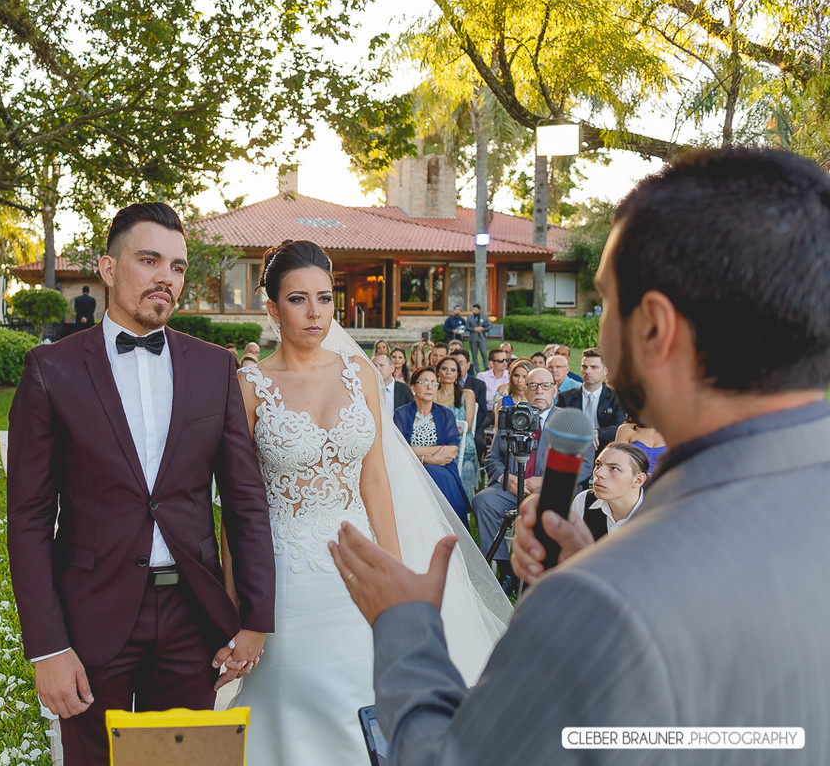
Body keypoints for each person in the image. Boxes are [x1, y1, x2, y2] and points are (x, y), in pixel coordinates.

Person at [333, 146, 830, 765]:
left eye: (602, 304)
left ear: (653, 327)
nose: (596, 331)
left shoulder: (610, 601)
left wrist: (404, 625)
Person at [5, 202, 277, 766]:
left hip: (192, 613)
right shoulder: (50, 369)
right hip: (90, 611)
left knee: (186, 762)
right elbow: (29, 518)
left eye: (177, 267)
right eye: (149, 260)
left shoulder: (214, 367)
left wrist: (254, 618)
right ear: (107, 269)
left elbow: (245, 501)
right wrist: (48, 648)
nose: (166, 279)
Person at [231, 240, 509, 766]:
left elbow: (376, 480)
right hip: (287, 574)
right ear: (271, 307)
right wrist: (237, 598)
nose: (315, 313)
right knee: (294, 707)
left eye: (324, 298)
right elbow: (237, 505)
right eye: (297, 300)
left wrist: (396, 573)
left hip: (360, 568)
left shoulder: (358, 374)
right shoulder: (249, 385)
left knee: (369, 702)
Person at [473, 367, 594, 587]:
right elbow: (492, 458)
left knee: (552, 513)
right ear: (525, 390)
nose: (539, 390)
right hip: (511, 488)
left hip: (553, 491)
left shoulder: (567, 421)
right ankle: (506, 572)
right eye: (533, 386)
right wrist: (505, 479)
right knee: (483, 501)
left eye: (545, 385)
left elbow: (586, 464)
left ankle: (547, 573)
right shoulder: (512, 418)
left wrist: (549, 481)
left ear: (554, 390)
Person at [395, 366, 469, 524]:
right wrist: (430, 459)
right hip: (408, 467)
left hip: (443, 467)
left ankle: (448, 528)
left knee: (440, 476)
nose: (429, 387)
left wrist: (414, 451)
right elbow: (397, 450)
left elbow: (452, 449)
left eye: (434, 383)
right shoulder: (401, 414)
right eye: (423, 382)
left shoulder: (445, 414)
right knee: (426, 474)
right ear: (412, 386)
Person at [567, 442, 648, 541]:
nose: (598, 473)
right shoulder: (583, 501)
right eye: (598, 465)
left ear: (638, 480)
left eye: (614, 468)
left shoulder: (657, 513)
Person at [556, 347, 625, 449]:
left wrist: (596, 432)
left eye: (594, 367)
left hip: (605, 448)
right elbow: (560, 425)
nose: (587, 371)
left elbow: (619, 428)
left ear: (605, 371)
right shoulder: (565, 397)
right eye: (584, 367)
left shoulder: (616, 397)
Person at [452, 349, 488, 458]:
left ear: (468, 365)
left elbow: (482, 411)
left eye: (461, 363)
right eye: (455, 363)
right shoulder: (445, 384)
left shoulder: (478, 384)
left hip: (473, 425)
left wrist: (471, 426)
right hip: (450, 425)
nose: (458, 366)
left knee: (479, 443)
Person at [372, 352, 414, 418]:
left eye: (381, 365)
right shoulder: (369, 391)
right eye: (375, 366)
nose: (377, 369)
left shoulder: (404, 390)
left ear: (392, 368)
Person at [465, 304, 490, 368]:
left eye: (476, 310)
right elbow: (467, 327)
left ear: (479, 310)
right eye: (473, 310)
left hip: (482, 338)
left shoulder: (484, 317)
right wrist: (474, 329)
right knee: (474, 355)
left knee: (484, 354)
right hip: (473, 338)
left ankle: (486, 368)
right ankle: (476, 369)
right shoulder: (469, 318)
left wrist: (483, 328)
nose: (474, 311)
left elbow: (490, 325)